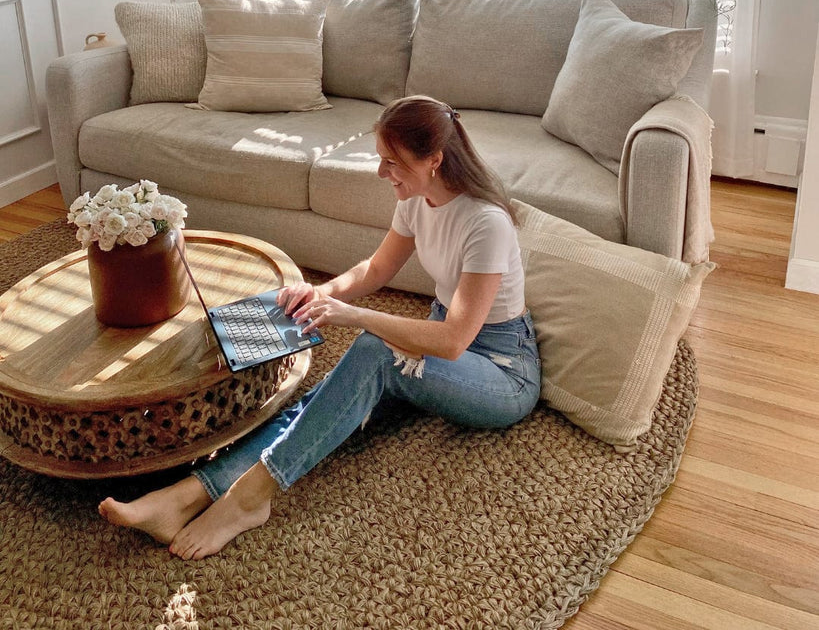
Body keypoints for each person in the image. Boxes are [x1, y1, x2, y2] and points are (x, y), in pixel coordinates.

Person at [99, 95, 541, 559]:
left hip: (502, 371)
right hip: (443, 341)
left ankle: (249, 499)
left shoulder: (485, 223)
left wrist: (354, 315)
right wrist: (320, 293)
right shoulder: (418, 200)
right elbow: (375, 270)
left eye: (392, 162)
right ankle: (186, 495)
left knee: (373, 350)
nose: (381, 172)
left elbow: (453, 342)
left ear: (435, 159)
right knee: (328, 398)